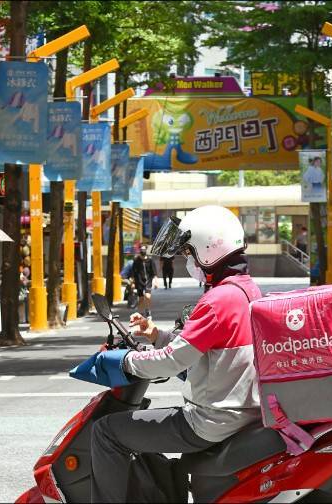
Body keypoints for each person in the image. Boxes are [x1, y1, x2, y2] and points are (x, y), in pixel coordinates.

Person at [90, 205, 263, 502]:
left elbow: (172, 362)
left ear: (208, 250)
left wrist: (123, 360)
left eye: (188, 252)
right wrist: (156, 335)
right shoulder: (245, 289)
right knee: (140, 431)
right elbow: (203, 347)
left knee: (105, 432)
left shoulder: (218, 300)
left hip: (211, 421)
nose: (186, 261)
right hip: (241, 413)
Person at [132, 246, 156, 318]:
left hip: (148, 281)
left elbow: (154, 272)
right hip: (139, 281)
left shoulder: (150, 260)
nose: (143, 251)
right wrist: (133, 283)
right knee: (141, 298)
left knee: (147, 296)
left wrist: (155, 281)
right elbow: (134, 272)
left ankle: (148, 311)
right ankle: (141, 312)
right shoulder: (136, 260)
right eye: (142, 250)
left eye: (144, 250)